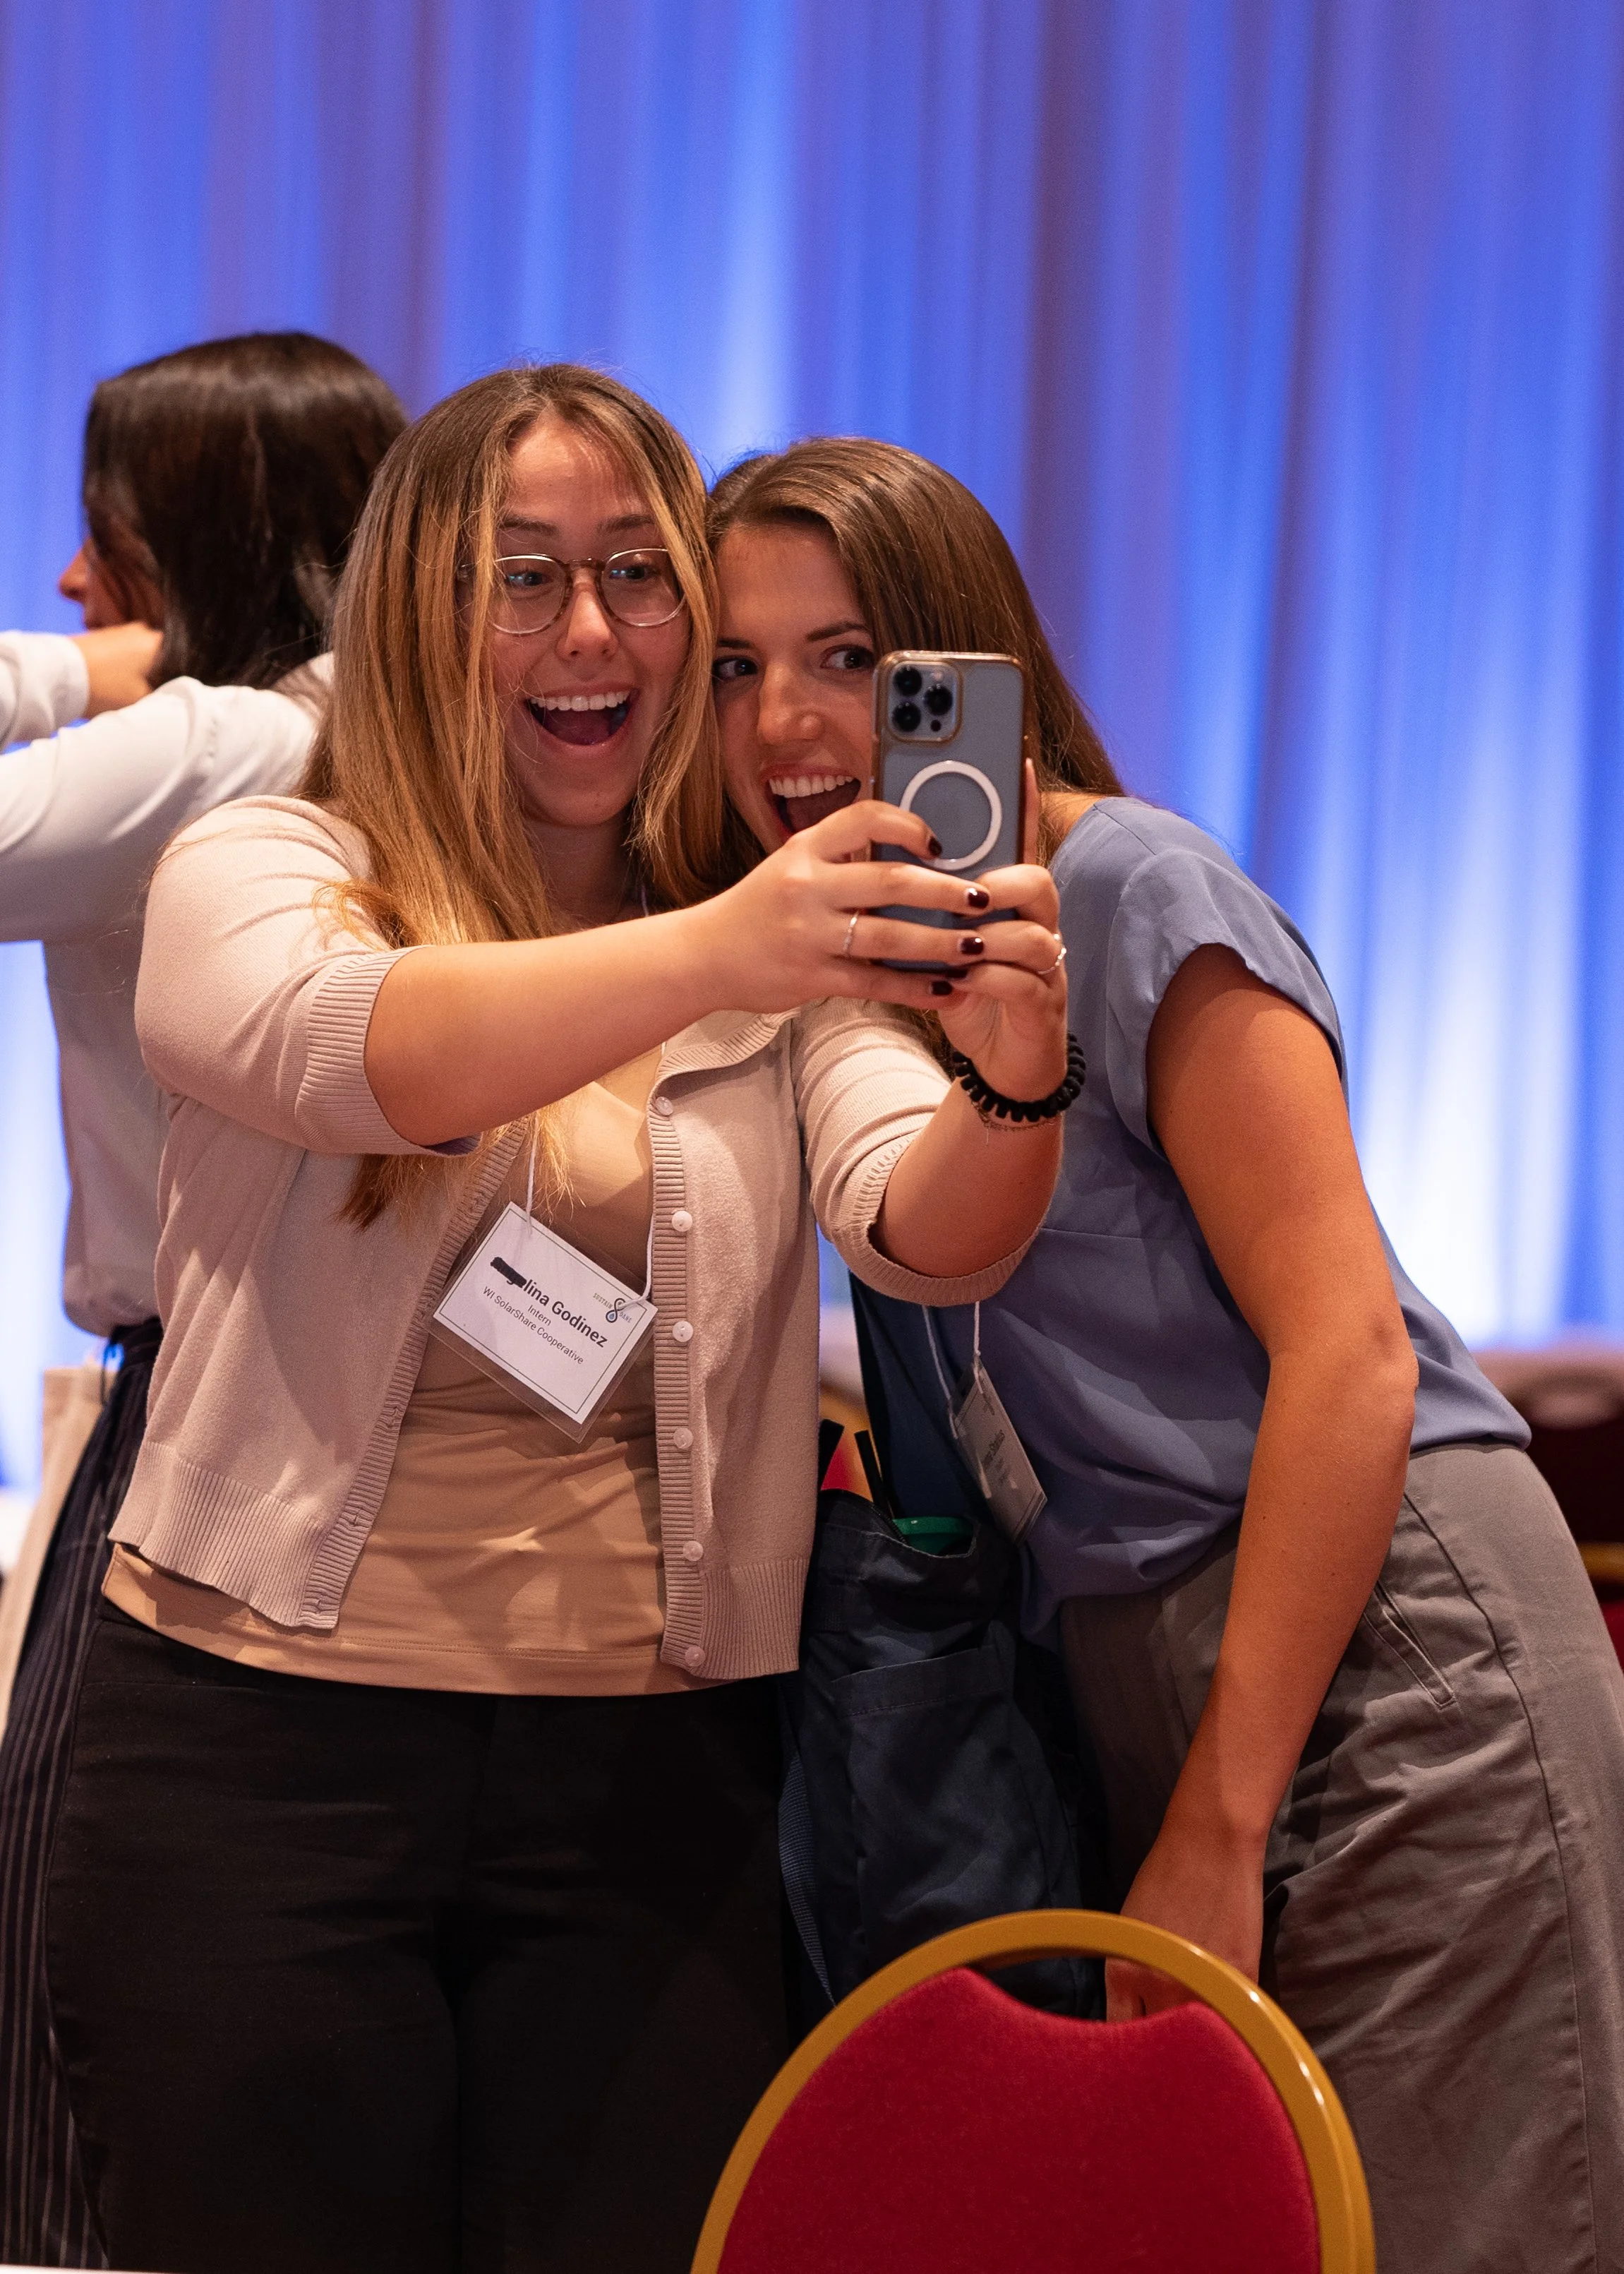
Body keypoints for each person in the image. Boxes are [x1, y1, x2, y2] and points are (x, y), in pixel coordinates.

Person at [43, 364, 1072, 2274]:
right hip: (254, 1769)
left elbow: (926, 1231)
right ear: (418, 611)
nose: (587, 630)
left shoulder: (778, 949)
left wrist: (1010, 1080)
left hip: (647, 1791)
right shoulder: (270, 872)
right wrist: (724, 946)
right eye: (520, 575)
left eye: (632, 571)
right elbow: (362, 1054)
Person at [705, 435, 1624, 2274]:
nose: (791, 720)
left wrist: (1218, 1809)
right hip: (1168, 1658)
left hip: (1375, 1645)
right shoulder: (862, 974)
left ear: (974, 671)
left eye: (856, 658)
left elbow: (1348, 1350)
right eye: (740, 665)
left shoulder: (1124, 888)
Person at [0, 329, 405, 2270]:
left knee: (67, 1951)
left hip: (200, 1407)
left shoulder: (223, 739)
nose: (79, 585)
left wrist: (72, 682)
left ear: (220, 544)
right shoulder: (390, 733)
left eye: (113, 545)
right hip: (358, 1406)